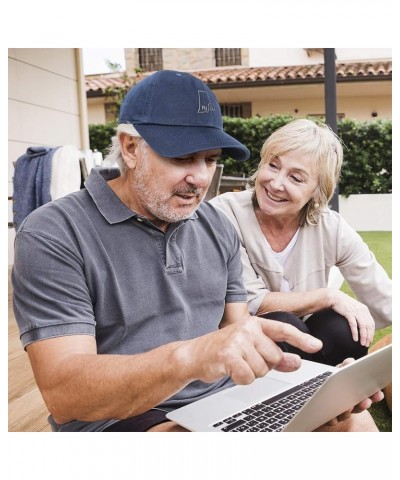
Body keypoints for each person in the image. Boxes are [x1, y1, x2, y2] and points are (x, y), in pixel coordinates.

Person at [12, 72, 381, 433]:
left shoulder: (215, 224)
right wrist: (192, 357)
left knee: (354, 422)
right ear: (129, 148)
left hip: (226, 401)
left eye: (209, 159)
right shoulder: (54, 232)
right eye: (183, 158)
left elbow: (238, 331)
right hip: (129, 417)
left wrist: (311, 390)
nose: (201, 178)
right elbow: (66, 396)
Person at [211, 118, 392, 367]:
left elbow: (385, 297)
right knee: (283, 323)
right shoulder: (224, 213)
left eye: (296, 178)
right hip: (240, 342)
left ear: (318, 192)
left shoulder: (331, 226)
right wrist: (327, 296)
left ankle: (328, 382)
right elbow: (249, 302)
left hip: (307, 342)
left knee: (345, 325)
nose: (275, 184)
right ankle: (316, 387)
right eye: (273, 166)